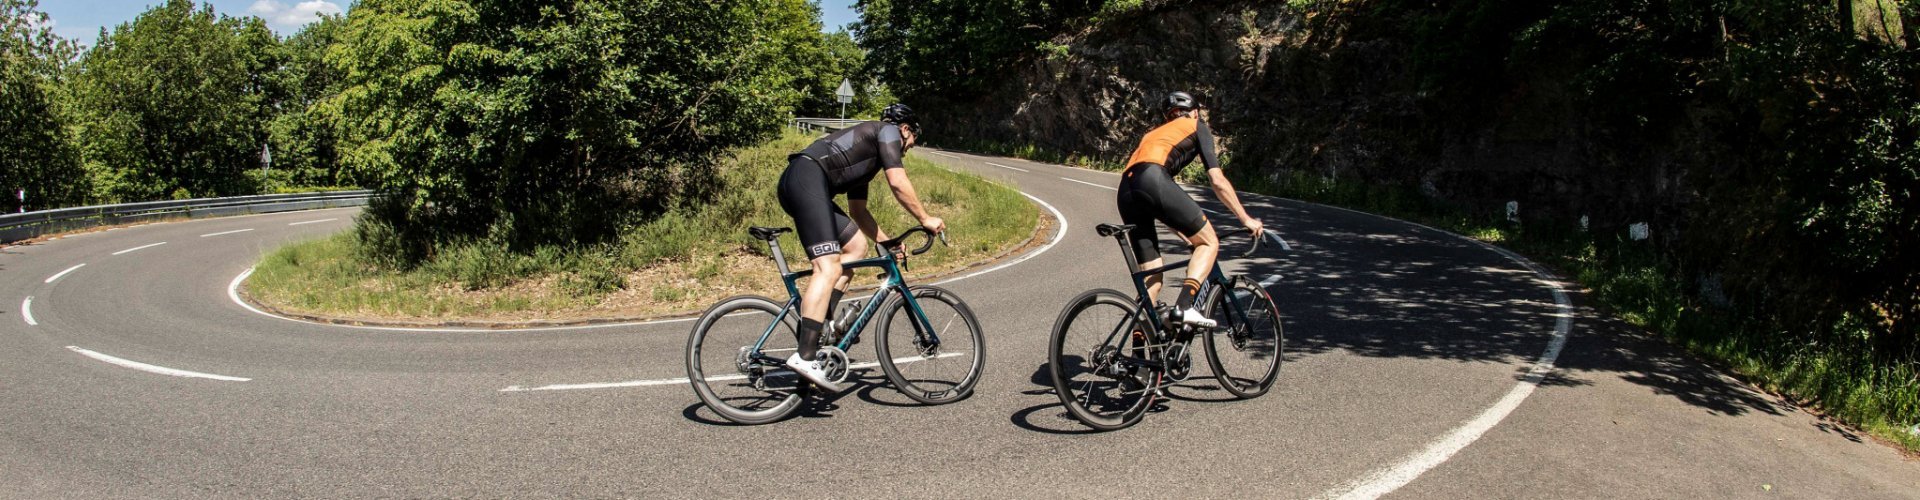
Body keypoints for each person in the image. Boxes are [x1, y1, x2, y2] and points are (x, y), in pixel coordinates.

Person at [776, 103, 945, 391]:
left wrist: (887, 240)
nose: (909, 148)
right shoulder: (888, 131)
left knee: (855, 247)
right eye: (913, 140)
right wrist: (925, 218)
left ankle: (822, 329)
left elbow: (858, 211)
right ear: (906, 129)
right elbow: (898, 181)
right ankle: (805, 356)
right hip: (805, 178)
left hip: (806, 181)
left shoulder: (866, 157)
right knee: (827, 266)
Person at [1116, 91, 1263, 328]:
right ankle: (1184, 308)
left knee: (1152, 277)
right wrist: (1246, 219)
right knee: (1209, 242)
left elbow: (1159, 206)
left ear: (1169, 116)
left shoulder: (1153, 133)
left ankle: (1139, 357)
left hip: (1126, 188)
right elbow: (1217, 180)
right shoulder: (1196, 125)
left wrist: (1184, 233)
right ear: (1194, 111)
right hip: (1153, 179)